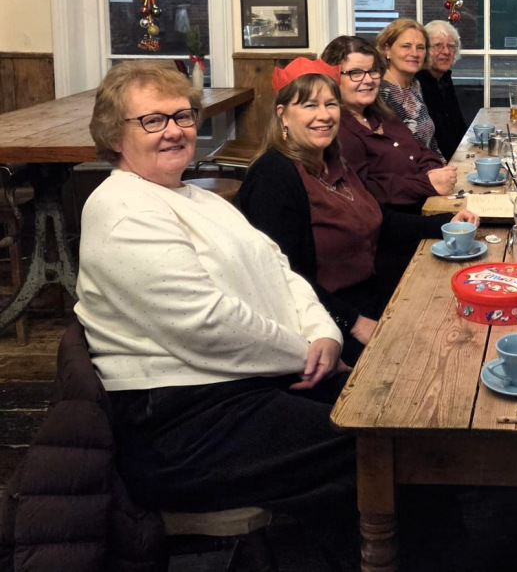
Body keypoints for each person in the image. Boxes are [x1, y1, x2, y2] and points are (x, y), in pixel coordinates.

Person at [73, 62, 357, 567]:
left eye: (182, 116)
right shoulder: (119, 209)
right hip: (181, 426)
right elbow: (206, 323)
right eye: (152, 121)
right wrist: (305, 351)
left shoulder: (195, 197)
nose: (175, 131)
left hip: (244, 385)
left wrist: (323, 333)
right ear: (116, 135)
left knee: (388, 413)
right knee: (373, 443)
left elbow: (279, 268)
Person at [235, 58, 478, 366]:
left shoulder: (331, 160)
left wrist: (444, 223)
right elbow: (283, 277)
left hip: (371, 295)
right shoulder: (274, 175)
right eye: (309, 106)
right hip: (325, 323)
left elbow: (380, 221)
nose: (324, 116)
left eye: (331, 104)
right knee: (437, 359)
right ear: (282, 115)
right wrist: (355, 323)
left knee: (461, 314)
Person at [322, 34, 457, 211]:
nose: (369, 80)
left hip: (426, 207)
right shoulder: (335, 129)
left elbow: (422, 151)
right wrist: (426, 183)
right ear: (331, 77)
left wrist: (435, 172)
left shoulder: (382, 114)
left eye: (373, 71)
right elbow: (365, 190)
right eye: (355, 73)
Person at [377, 18, 443, 157]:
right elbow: (386, 155)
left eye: (420, 47)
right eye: (406, 46)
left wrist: (443, 165)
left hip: (430, 169)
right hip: (406, 176)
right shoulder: (379, 91)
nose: (414, 53)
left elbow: (430, 142)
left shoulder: (415, 85)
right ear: (387, 49)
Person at [416, 19, 469, 161]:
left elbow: (458, 127)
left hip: (455, 159)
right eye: (438, 45)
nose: (446, 51)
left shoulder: (444, 78)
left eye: (451, 46)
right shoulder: (417, 82)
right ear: (425, 50)